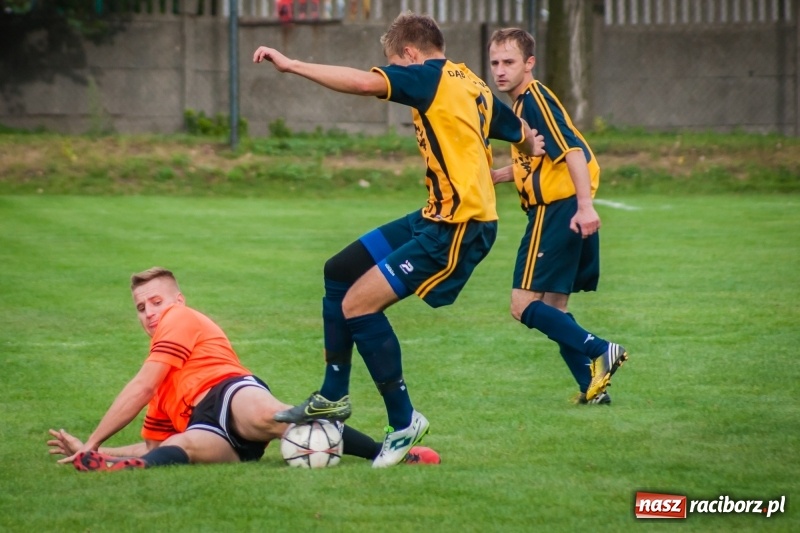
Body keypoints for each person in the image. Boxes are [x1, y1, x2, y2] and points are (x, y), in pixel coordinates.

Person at [253, 12, 545, 467]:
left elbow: (362, 83)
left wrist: (293, 65)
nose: (390, 74)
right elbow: (520, 132)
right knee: (339, 271)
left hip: (458, 228)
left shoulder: (426, 76)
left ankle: (403, 421)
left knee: (357, 305)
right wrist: (529, 151)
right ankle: (332, 394)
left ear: (409, 55)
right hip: (434, 217)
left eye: (392, 64)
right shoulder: (468, 81)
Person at [47, 267, 440, 472]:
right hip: (210, 431)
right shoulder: (163, 370)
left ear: (177, 300)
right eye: (141, 308)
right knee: (176, 447)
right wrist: (99, 453)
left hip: (229, 391)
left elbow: (141, 386)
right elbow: (152, 448)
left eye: (155, 302)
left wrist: (95, 440)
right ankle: (115, 473)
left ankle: (390, 454)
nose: (150, 313)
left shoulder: (179, 318)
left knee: (275, 417)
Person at [487, 28, 628, 404]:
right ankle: (592, 390)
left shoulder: (535, 100)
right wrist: (500, 175)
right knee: (554, 309)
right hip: (565, 208)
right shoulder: (522, 105)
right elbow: (539, 160)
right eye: (495, 63)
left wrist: (584, 206)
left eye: (509, 62)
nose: (500, 71)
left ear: (529, 63)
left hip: (558, 211)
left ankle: (600, 349)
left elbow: (573, 152)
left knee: (523, 305)